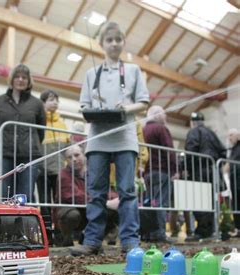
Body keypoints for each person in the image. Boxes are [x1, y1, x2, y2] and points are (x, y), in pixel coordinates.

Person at [73, 21, 150, 256]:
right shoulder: (90, 74)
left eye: (118, 39)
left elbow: (144, 103)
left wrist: (126, 108)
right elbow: (84, 107)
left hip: (125, 137)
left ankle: (129, 241)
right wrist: (95, 109)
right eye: (109, 39)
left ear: (123, 42)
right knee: (96, 192)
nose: (114, 43)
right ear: (102, 44)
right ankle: (93, 240)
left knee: (127, 191)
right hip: (98, 138)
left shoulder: (134, 71)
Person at [0, 64, 46, 200]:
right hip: (4, 153)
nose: (20, 80)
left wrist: (30, 143)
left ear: (29, 81)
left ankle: (23, 221)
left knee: (25, 193)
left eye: (24, 77)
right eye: (17, 76)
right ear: (11, 79)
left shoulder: (37, 104)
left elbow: (41, 131)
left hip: (29, 155)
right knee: (5, 193)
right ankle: (5, 221)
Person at [55, 145, 118, 247]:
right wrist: (104, 202)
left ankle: (90, 239)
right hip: (72, 209)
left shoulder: (93, 172)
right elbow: (73, 196)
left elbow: (105, 189)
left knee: (114, 207)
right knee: (72, 215)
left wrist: (116, 198)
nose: (74, 159)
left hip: (90, 207)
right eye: (69, 157)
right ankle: (66, 239)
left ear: (84, 155)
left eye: (76, 155)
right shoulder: (63, 174)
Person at [185, 112, 226, 241]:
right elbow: (223, 152)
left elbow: (190, 151)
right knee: (210, 202)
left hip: (199, 172)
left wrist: (186, 169)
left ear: (192, 122)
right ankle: (211, 229)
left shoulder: (193, 132)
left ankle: (202, 231)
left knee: (199, 201)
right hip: (213, 172)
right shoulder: (212, 134)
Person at [36, 89, 71, 243]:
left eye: (56, 99)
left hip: (59, 170)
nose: (55, 102)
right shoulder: (38, 121)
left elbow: (68, 147)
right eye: (51, 99)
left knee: (59, 202)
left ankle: (61, 233)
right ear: (42, 102)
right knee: (44, 202)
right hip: (41, 169)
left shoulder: (62, 124)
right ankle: (47, 234)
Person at [141, 105, 176, 243]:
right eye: (163, 114)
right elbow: (169, 150)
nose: (165, 116)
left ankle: (148, 233)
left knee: (149, 203)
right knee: (161, 203)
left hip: (147, 172)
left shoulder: (143, 130)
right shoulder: (161, 129)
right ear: (157, 115)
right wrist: (175, 169)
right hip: (161, 171)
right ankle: (159, 233)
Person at [226, 128, 240, 237]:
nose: (229, 137)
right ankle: (238, 228)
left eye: (231, 135)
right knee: (236, 204)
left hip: (238, 179)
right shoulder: (233, 149)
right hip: (234, 181)